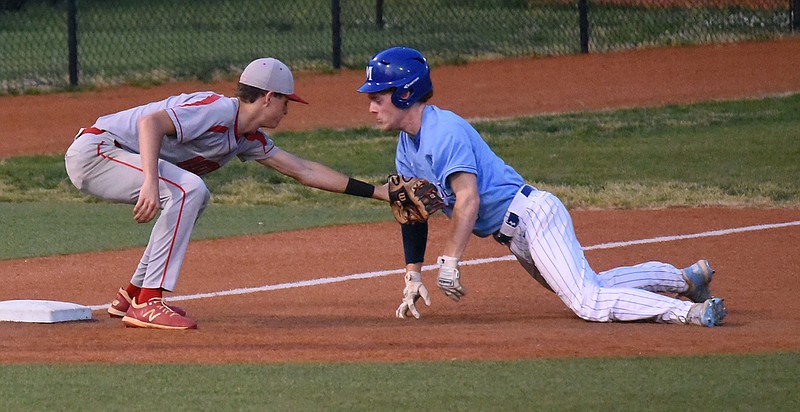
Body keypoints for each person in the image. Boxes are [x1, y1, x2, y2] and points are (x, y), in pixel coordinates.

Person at [356, 46, 727, 326]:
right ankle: (682, 278)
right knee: (587, 285)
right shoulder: (406, 148)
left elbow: (468, 199)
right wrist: (413, 274)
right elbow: (413, 211)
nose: (371, 107)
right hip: (516, 234)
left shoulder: (444, 131)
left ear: (405, 93)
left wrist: (450, 260)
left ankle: (689, 311)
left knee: (588, 303)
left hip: (534, 217)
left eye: (378, 97)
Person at [65, 57, 389, 330]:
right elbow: (151, 123)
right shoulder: (217, 109)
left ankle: (134, 294)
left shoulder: (247, 137)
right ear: (268, 97)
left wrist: (379, 192)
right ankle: (149, 301)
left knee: (194, 195)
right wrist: (150, 179)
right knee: (188, 189)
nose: (287, 110)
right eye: (286, 101)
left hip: (114, 157)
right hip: (97, 151)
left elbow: (303, 170)